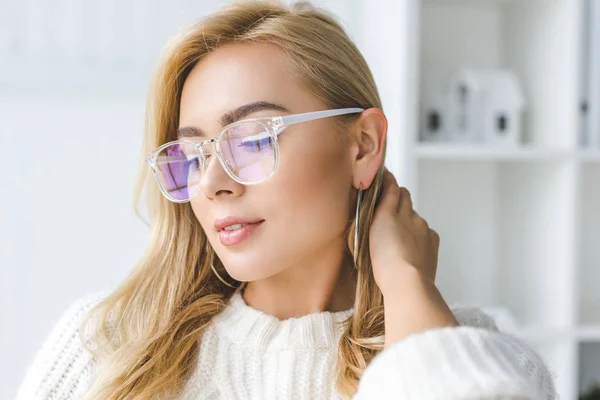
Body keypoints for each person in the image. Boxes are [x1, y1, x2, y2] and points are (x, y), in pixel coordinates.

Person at [16, 1, 557, 399]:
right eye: (193, 155)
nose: (213, 185)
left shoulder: (473, 353)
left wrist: (407, 284)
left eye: (252, 140)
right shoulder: (109, 346)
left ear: (363, 145)